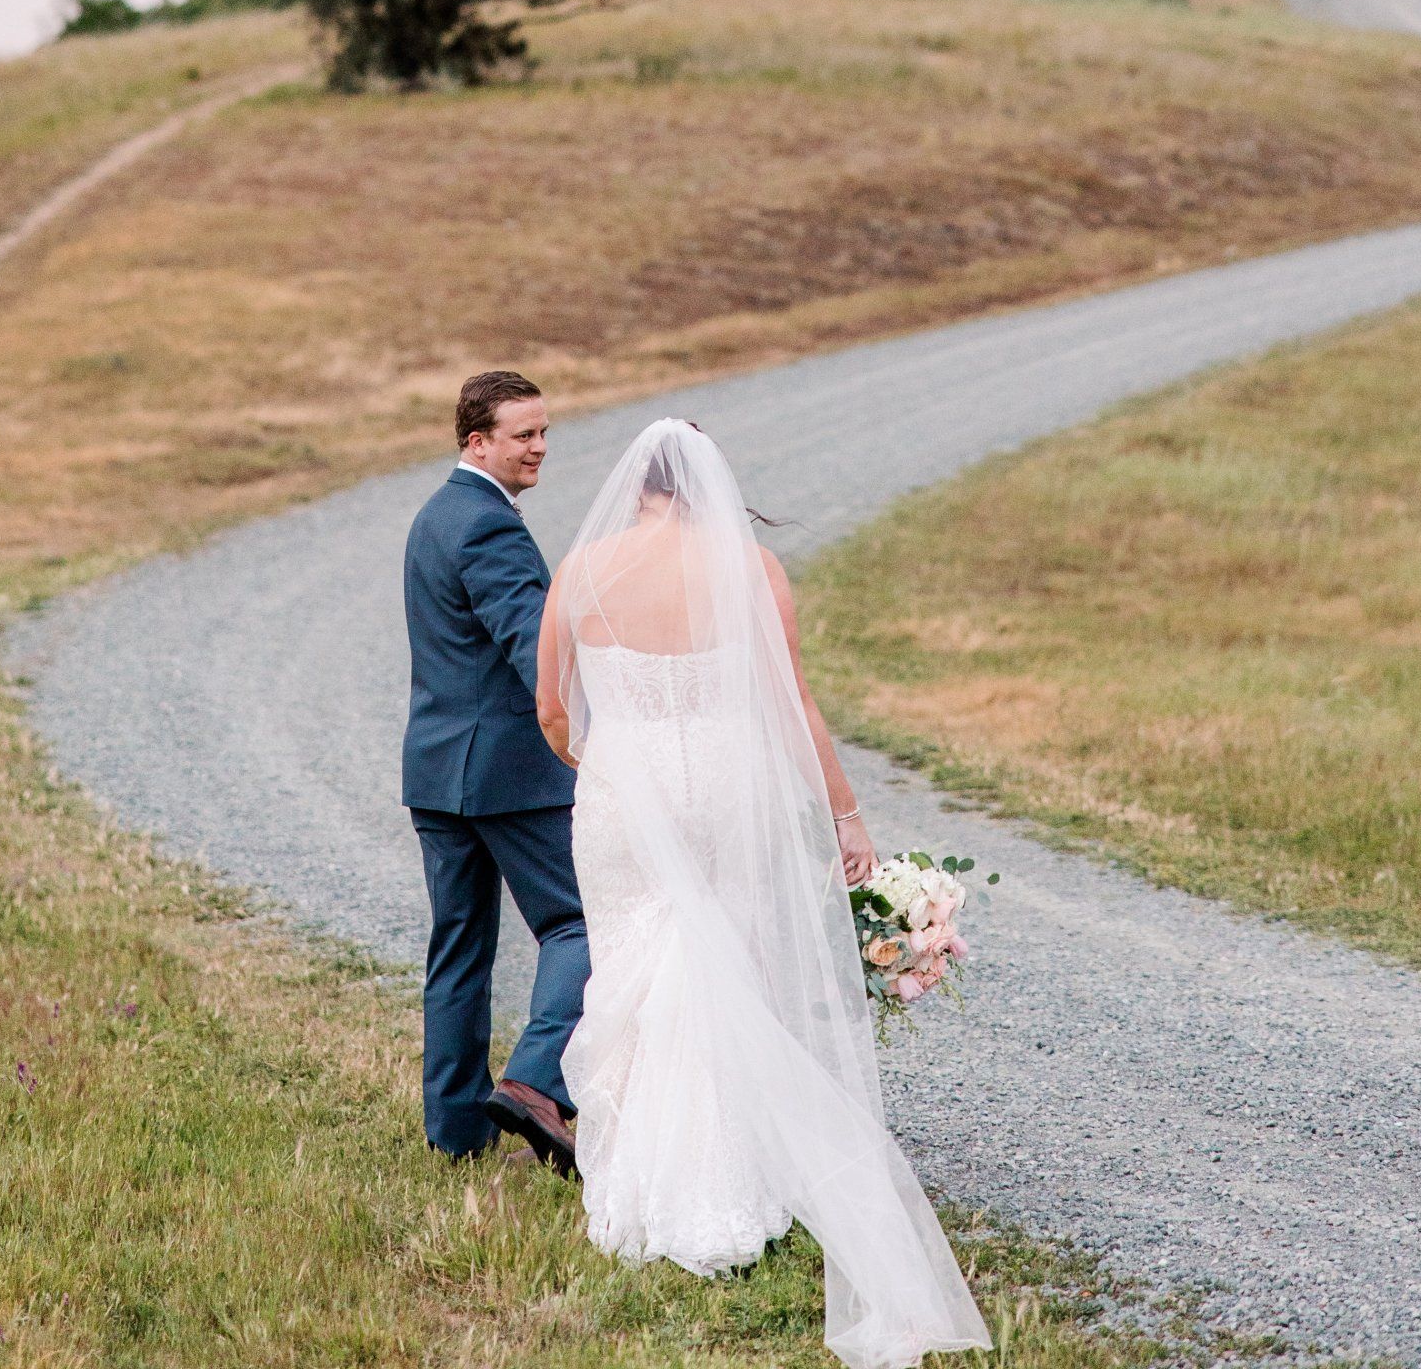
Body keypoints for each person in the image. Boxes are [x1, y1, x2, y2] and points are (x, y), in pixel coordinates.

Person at [537, 416, 989, 1369]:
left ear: (636, 484)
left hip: (625, 791)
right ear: (705, 481)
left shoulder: (581, 569)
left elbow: (550, 706)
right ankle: (733, 1172)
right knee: (728, 964)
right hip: (731, 786)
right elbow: (795, 705)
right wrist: (847, 814)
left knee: (635, 964)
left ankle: (644, 1177)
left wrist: (608, 764)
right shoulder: (754, 571)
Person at [400, 368, 589, 1168]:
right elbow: (531, 647)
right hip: (508, 775)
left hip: (440, 772)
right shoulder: (488, 525)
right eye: (524, 435)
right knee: (584, 924)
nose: (540, 447)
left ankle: (455, 1136)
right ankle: (533, 1082)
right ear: (477, 440)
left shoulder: (436, 515)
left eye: (544, 432)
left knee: (459, 950)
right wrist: (591, 730)